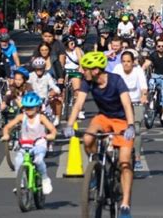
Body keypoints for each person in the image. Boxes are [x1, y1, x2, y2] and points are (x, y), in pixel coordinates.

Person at [64, 52, 136, 217]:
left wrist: (131, 126)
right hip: (103, 117)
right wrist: (69, 124)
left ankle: (125, 205)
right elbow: (78, 103)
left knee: (124, 162)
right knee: (88, 138)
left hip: (122, 120)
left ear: (96, 70)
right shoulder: (87, 82)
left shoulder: (116, 80)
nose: (84, 71)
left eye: (86, 68)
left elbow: (126, 103)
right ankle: (96, 167)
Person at [1, 92, 56, 195]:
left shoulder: (41, 118)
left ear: (38, 108)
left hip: (39, 144)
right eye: (26, 108)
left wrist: (50, 136)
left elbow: (52, 129)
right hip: (25, 144)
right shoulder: (21, 117)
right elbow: (7, 127)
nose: (28, 110)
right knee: (18, 161)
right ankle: (20, 184)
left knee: (38, 161)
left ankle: (45, 179)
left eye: (31, 108)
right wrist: (6, 135)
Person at [113, 51, 148, 171]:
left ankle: (137, 158)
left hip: (135, 102)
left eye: (129, 61)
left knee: (136, 129)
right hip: (121, 103)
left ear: (133, 62)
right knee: (118, 128)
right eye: (124, 61)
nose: (126, 64)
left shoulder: (138, 70)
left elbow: (143, 86)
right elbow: (112, 84)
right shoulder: (117, 69)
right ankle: (117, 154)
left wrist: (143, 96)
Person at [142, 39, 163, 122]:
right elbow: (146, 64)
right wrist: (141, 71)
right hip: (155, 76)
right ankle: (149, 103)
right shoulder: (153, 55)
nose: (161, 48)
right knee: (149, 87)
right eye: (159, 46)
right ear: (156, 47)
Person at [28, 57, 61, 126]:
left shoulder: (47, 75)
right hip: (33, 99)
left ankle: (56, 118)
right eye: (37, 68)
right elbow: (27, 85)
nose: (39, 70)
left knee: (57, 100)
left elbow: (52, 85)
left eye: (41, 68)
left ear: (44, 68)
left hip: (45, 99)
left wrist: (56, 90)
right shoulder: (30, 75)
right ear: (34, 68)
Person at [63, 36, 85, 120]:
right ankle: (63, 106)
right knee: (63, 90)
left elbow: (80, 60)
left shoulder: (77, 50)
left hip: (75, 71)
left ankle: (80, 110)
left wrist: (81, 68)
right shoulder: (63, 51)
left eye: (74, 42)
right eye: (71, 43)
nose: (73, 44)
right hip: (66, 71)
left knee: (77, 91)